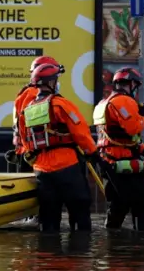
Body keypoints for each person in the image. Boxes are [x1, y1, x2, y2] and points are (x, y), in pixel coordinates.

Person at [16, 63, 99, 232]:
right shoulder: (60, 104)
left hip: (41, 170)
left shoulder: (27, 110)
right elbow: (80, 131)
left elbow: (25, 141)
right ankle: (80, 253)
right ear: (51, 83)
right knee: (79, 211)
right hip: (66, 165)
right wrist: (93, 153)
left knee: (49, 218)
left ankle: (47, 255)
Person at [93, 67, 144, 231]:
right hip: (123, 163)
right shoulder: (124, 101)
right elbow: (133, 129)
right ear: (131, 84)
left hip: (107, 162)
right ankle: (141, 245)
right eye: (135, 85)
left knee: (118, 205)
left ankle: (113, 245)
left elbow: (119, 137)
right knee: (143, 206)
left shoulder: (102, 103)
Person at [5, 56, 65, 167]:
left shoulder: (26, 93)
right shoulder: (33, 93)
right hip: (33, 153)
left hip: (29, 151)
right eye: (54, 78)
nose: (56, 82)